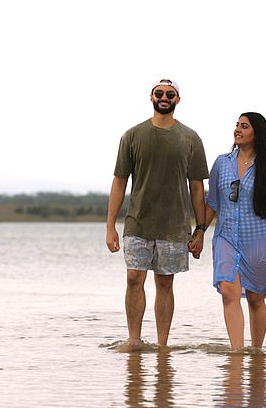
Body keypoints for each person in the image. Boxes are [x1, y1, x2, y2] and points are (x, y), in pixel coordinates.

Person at [106, 79, 209, 347]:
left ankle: (163, 346)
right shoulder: (132, 136)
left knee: (164, 283)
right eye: (160, 93)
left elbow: (197, 188)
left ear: (177, 100)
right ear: (151, 97)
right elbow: (119, 182)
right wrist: (110, 226)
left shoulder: (190, 138)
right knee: (133, 278)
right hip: (137, 223)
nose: (164, 97)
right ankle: (134, 341)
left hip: (174, 226)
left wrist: (200, 229)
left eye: (170, 94)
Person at [201, 112, 266, 351]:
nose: (238, 130)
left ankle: (256, 351)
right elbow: (212, 202)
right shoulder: (222, 163)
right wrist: (199, 231)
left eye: (244, 126)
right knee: (227, 291)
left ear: (257, 133)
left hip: (260, 239)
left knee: (255, 298)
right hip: (226, 237)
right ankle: (237, 353)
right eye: (237, 125)